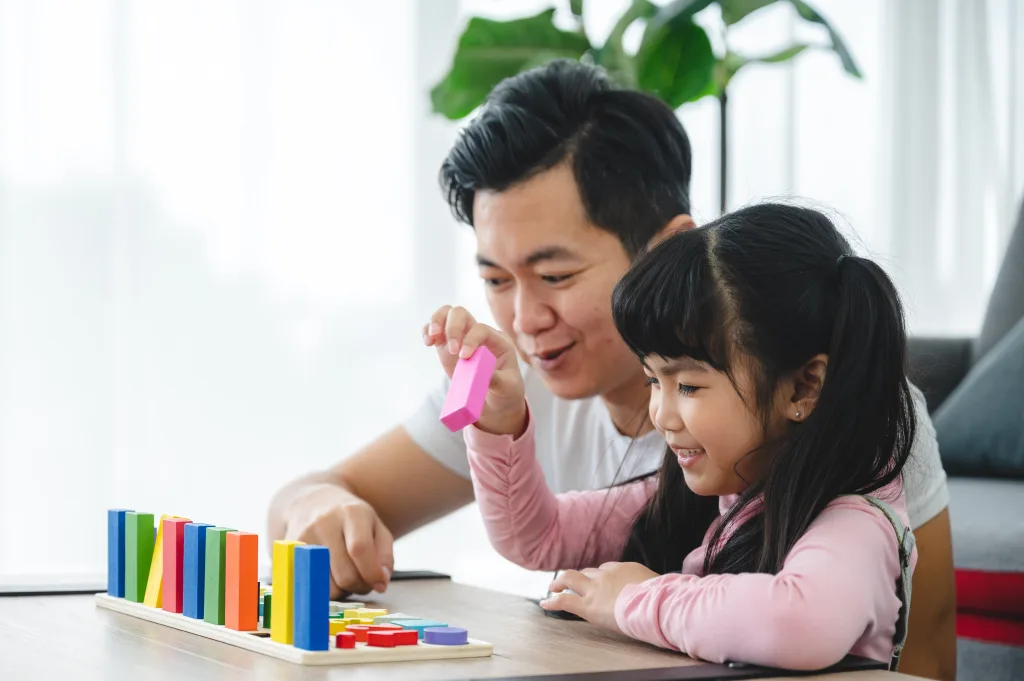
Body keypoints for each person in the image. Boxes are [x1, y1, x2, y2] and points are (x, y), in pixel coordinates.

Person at [267, 60, 955, 680]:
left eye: (556, 274)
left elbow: (921, 658)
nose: (524, 319)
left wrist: (633, 596)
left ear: (667, 250)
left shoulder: (856, 412)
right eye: (496, 279)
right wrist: (326, 510)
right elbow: (323, 497)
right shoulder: (510, 378)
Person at [428, 203, 917, 670]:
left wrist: (634, 599)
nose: (660, 413)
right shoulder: (711, 494)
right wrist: (499, 417)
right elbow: (536, 537)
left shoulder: (857, 521)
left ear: (805, 386)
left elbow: (797, 622)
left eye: (687, 385)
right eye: (651, 380)